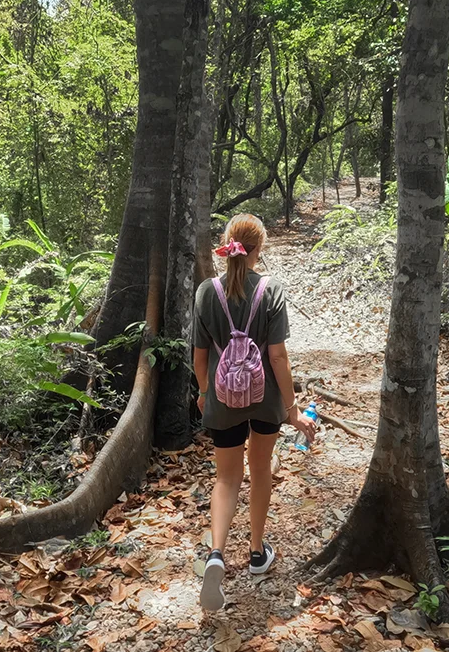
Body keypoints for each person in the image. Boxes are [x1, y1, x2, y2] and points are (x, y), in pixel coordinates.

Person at [192, 213, 317, 612]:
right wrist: (292, 410)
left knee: (226, 478)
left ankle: (215, 554)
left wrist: (205, 392)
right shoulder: (271, 290)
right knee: (259, 470)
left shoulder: (205, 293)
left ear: (228, 244)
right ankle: (257, 552)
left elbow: (198, 356)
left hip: (223, 401)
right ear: (259, 249)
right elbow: (277, 356)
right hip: (265, 402)